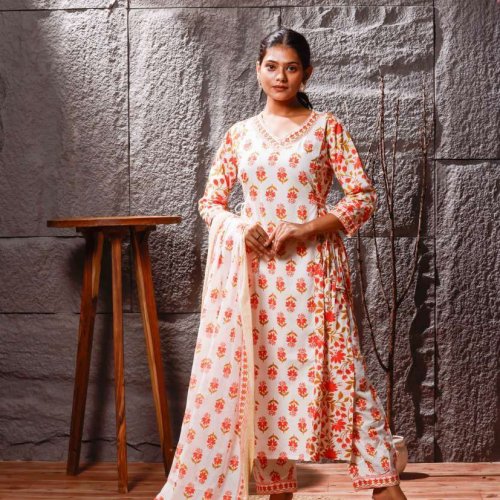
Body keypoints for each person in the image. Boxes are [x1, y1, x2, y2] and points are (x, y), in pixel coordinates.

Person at [155, 28, 408, 500]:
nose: (280, 76)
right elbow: (210, 203)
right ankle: (278, 492)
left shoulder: (326, 128)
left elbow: (362, 198)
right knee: (264, 382)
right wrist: (239, 226)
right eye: (271, 67)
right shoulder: (239, 135)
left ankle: (385, 487)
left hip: (315, 275)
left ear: (306, 73)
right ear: (258, 70)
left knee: (346, 376)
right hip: (256, 281)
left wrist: (305, 228)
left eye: (291, 68)